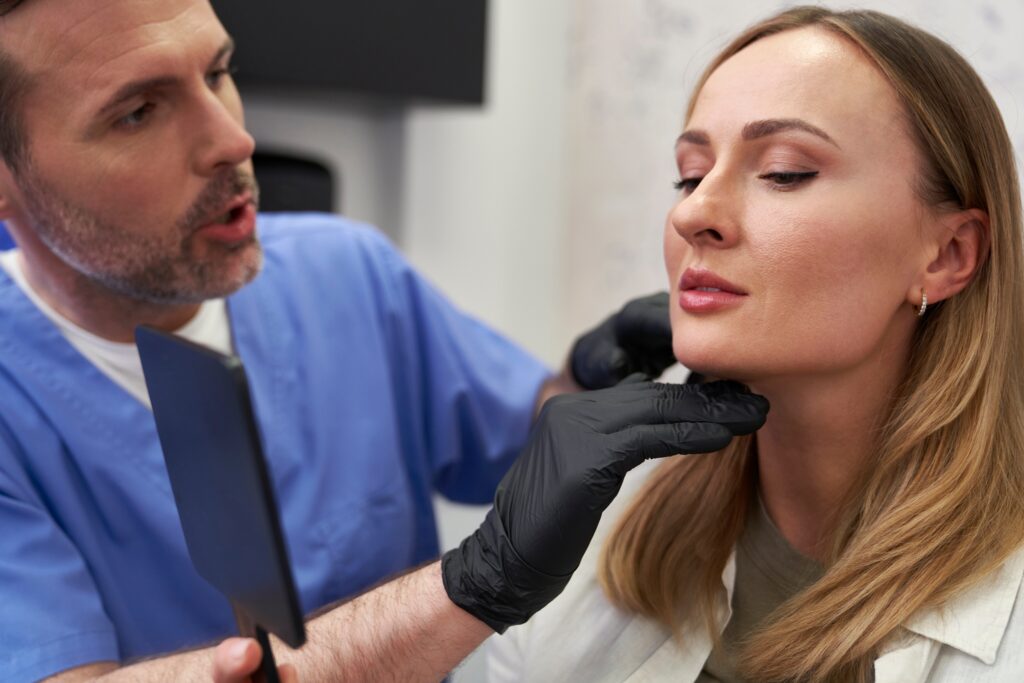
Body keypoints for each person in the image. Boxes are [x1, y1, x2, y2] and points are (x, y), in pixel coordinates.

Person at [0, 0, 701, 680]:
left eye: (217, 73)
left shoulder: (345, 276)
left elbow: (530, 448)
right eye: (139, 112)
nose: (232, 141)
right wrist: (473, 583)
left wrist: (587, 379)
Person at [486, 6, 1024, 683]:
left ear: (948, 254)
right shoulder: (600, 533)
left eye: (784, 171)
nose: (691, 213)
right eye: (690, 174)